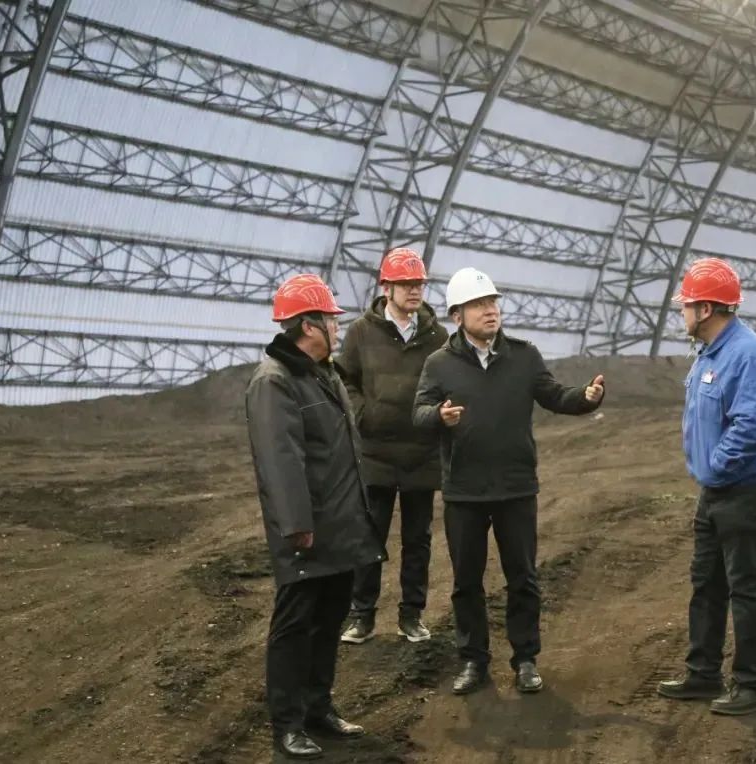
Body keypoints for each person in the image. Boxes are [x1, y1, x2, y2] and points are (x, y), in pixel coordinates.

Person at [412, 267, 606, 696]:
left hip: (516, 488)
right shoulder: (439, 364)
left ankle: (526, 659)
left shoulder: (524, 356)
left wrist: (587, 398)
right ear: (457, 316)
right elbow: (419, 413)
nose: (490, 311)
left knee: (523, 578)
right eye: (479, 305)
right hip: (464, 491)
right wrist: (438, 416)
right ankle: (473, 661)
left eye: (493, 302)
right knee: (466, 582)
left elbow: (555, 396)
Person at [245, 273, 386, 761]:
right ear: (308, 325)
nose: (337, 327)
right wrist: (296, 525)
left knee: (328, 622)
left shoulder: (322, 373)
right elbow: (280, 461)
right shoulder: (275, 381)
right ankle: (288, 724)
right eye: (331, 319)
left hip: (340, 524)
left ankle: (318, 708)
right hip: (308, 530)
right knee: (294, 627)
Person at [656, 257, 756, 716]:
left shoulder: (748, 354)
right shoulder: (710, 352)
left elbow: (753, 426)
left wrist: (715, 466)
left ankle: (752, 687)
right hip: (715, 492)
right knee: (706, 585)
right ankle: (703, 674)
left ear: (706, 309)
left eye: (686, 305)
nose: (682, 312)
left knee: (746, 590)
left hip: (746, 490)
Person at [335, 248, 449, 645]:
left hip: (421, 454)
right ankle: (362, 617)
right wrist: (362, 414)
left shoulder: (437, 336)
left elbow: (448, 383)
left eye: (419, 284)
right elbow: (344, 379)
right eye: (406, 284)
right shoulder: (361, 332)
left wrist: (436, 415)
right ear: (387, 288)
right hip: (375, 455)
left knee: (418, 541)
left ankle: (411, 616)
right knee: (369, 536)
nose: (415, 291)